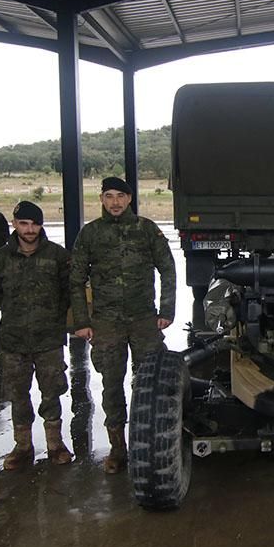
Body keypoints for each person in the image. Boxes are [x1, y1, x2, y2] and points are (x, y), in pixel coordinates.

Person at [70, 176, 176, 474]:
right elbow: (76, 280)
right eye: (109, 196)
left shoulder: (146, 230)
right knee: (111, 386)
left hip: (144, 319)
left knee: (150, 384)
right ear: (102, 199)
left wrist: (166, 310)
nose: (115, 202)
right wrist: (82, 321)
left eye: (120, 196)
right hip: (107, 323)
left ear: (129, 199)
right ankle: (118, 449)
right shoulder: (90, 234)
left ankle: (153, 444)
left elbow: (167, 268)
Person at [0, 200, 74, 469]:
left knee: (52, 393)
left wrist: (55, 322)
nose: (29, 229)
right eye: (24, 223)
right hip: (14, 341)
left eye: (35, 224)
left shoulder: (57, 255)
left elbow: (68, 293)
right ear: (15, 224)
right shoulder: (1, 257)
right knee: (18, 395)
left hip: (48, 339)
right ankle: (22, 446)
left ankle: (55, 445)